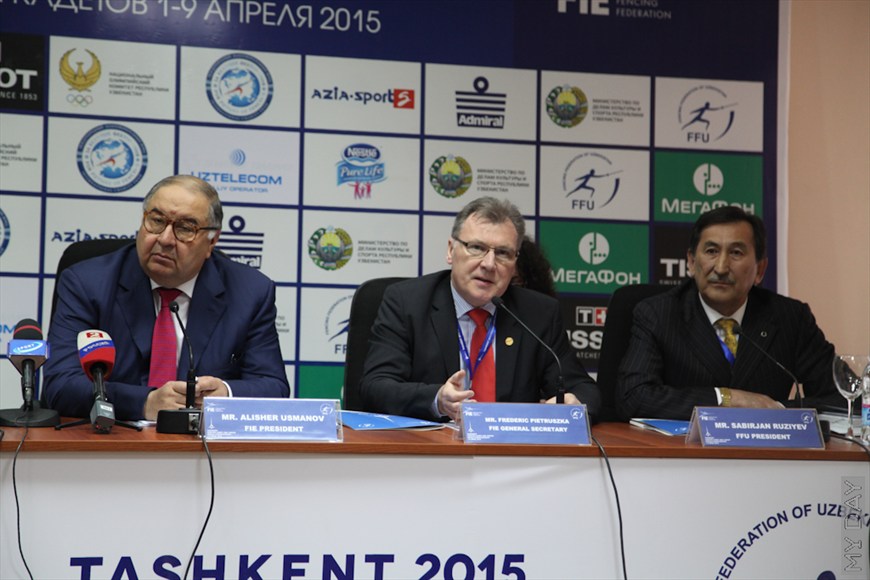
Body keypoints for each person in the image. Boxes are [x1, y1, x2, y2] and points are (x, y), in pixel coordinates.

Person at [43, 175, 290, 421]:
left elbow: (273, 387)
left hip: (198, 443)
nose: (165, 239)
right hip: (111, 438)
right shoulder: (87, 283)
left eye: (185, 228)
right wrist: (145, 402)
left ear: (212, 241)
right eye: (157, 221)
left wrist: (224, 394)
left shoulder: (250, 292)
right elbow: (60, 386)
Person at [359, 196, 601, 422]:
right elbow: (376, 386)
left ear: (515, 263)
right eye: (476, 247)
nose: (489, 264)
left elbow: (584, 390)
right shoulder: (407, 302)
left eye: (503, 253)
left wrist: (573, 403)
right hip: (433, 446)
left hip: (511, 448)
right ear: (450, 250)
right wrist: (437, 400)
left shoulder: (538, 313)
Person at [616, 206, 837, 420]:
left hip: (764, 443)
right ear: (691, 262)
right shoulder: (659, 314)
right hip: (682, 445)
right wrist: (727, 398)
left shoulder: (790, 318)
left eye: (736, 253)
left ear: (760, 270)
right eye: (711, 251)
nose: (721, 268)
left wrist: (776, 409)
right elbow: (633, 397)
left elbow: (841, 398)